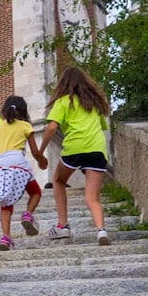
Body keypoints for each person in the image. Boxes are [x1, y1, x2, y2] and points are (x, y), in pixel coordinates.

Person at [38, 66, 113, 245]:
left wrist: (40, 152)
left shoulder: (64, 101)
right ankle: (101, 231)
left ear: (63, 84)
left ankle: (63, 226)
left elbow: (52, 128)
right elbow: (103, 127)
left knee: (58, 180)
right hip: (96, 149)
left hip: (75, 147)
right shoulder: (94, 103)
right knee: (92, 197)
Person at [0, 95, 48, 251]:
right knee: (35, 192)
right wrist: (42, 160)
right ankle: (27, 214)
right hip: (18, 164)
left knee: (5, 203)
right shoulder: (25, 126)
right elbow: (34, 151)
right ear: (23, 111)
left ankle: (6, 237)